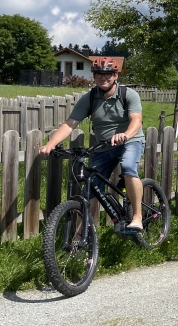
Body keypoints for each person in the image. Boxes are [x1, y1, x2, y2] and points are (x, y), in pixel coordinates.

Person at [40, 58, 145, 231]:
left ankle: (137, 217)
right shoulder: (89, 98)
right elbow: (70, 123)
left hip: (130, 140)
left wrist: (125, 135)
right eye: (99, 74)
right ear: (94, 76)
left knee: (128, 167)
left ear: (116, 75)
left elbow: (136, 121)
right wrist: (51, 143)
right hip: (104, 145)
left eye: (108, 74)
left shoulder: (128, 94)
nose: (104, 78)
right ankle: (83, 237)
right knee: (91, 185)